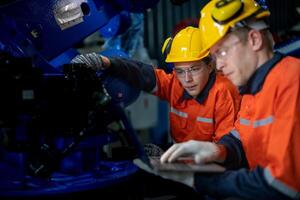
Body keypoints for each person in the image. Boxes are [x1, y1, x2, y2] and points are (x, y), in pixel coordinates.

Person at [134, 0, 300, 199]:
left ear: (254, 39)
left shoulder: (291, 81)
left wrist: (198, 180)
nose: (219, 65)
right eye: (214, 56)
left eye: (222, 52)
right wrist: (218, 150)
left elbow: (281, 183)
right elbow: (243, 138)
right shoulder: (253, 88)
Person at [71, 26, 241, 199]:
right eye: (180, 70)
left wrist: (179, 165)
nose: (187, 79)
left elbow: (225, 153)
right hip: (184, 166)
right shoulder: (177, 84)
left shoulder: (223, 92)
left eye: (195, 69)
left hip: (214, 177)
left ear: (210, 65)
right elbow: (144, 74)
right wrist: (106, 62)